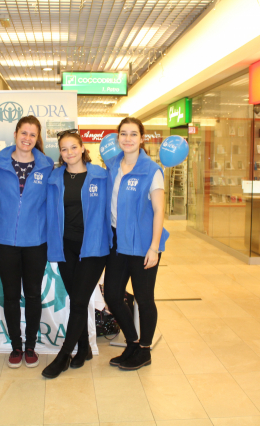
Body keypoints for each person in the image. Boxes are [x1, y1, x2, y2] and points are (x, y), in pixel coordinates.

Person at [41, 129, 112, 379]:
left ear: (82, 148)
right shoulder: (54, 178)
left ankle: (63, 356)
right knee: (76, 299)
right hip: (65, 247)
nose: (69, 152)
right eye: (64, 149)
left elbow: (112, 210)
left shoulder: (101, 176)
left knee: (80, 301)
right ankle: (83, 348)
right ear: (59, 153)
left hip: (94, 247)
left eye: (73, 147)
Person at [103, 117, 169, 371]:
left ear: (142, 138)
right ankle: (132, 341)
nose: (128, 138)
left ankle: (144, 350)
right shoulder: (111, 166)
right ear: (118, 137)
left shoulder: (151, 170)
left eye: (133, 134)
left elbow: (159, 210)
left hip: (142, 244)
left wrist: (154, 247)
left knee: (144, 298)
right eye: (123, 134)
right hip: (117, 242)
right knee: (112, 295)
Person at [0, 115, 54, 368]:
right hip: (4, 240)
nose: (27, 138)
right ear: (15, 134)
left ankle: (30, 347)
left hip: (36, 241)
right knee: (10, 295)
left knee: (33, 295)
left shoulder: (47, 166)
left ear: (38, 138)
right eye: (23, 133)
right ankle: (16, 345)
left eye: (32, 134)